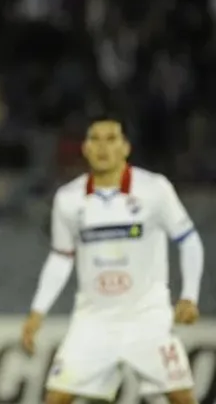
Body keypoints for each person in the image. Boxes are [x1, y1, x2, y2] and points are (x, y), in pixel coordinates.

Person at [21, 115, 204, 404]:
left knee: (181, 397)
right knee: (56, 398)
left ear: (125, 147)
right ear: (85, 148)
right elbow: (61, 257)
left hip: (146, 317)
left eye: (111, 139)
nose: (102, 147)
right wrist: (37, 312)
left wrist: (189, 296)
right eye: (95, 139)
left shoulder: (154, 189)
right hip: (93, 320)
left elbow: (189, 240)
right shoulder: (68, 198)